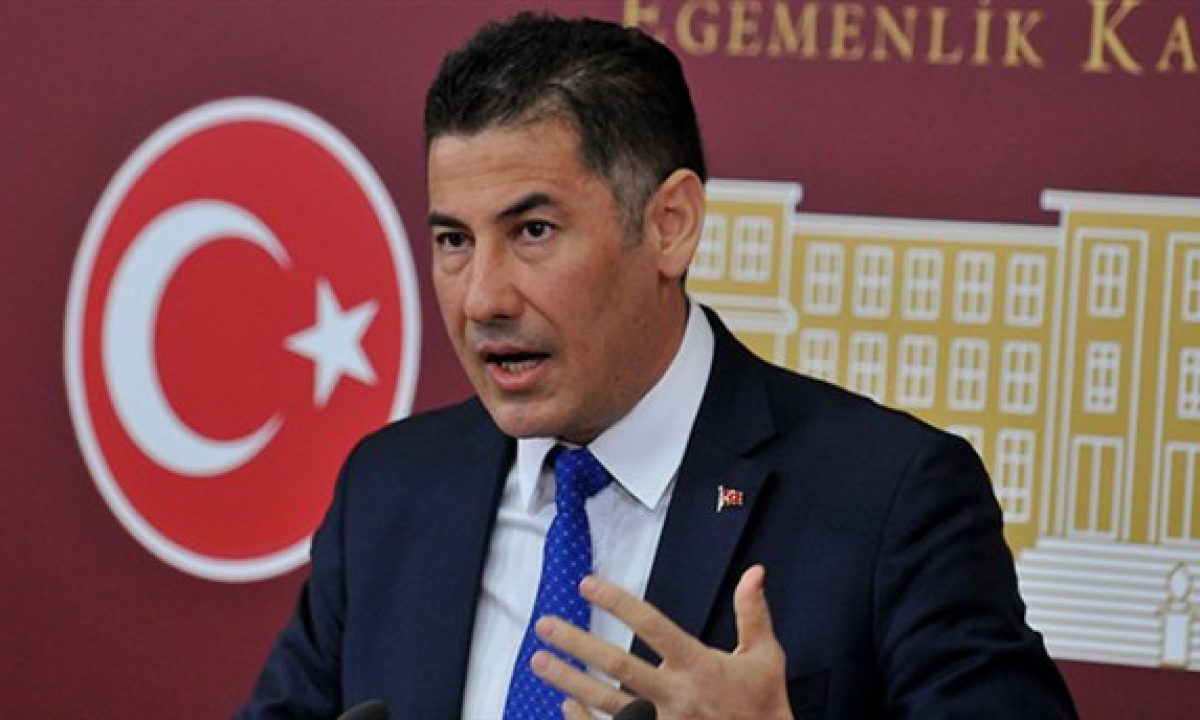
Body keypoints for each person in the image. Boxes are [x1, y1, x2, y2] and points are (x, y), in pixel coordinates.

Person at [239, 12, 1076, 719]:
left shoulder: (887, 500)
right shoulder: (390, 490)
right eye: (454, 239)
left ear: (671, 225)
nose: (481, 297)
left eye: (533, 232)